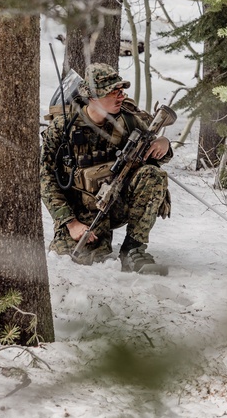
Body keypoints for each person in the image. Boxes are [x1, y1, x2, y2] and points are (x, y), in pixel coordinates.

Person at [40, 63, 172, 272]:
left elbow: (153, 156)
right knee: (79, 260)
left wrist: (164, 144)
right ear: (92, 97)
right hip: (81, 211)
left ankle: (133, 249)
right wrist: (70, 222)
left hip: (118, 202)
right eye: (113, 92)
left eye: (121, 90)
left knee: (152, 174)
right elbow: (45, 178)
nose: (121, 96)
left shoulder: (129, 121)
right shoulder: (63, 127)